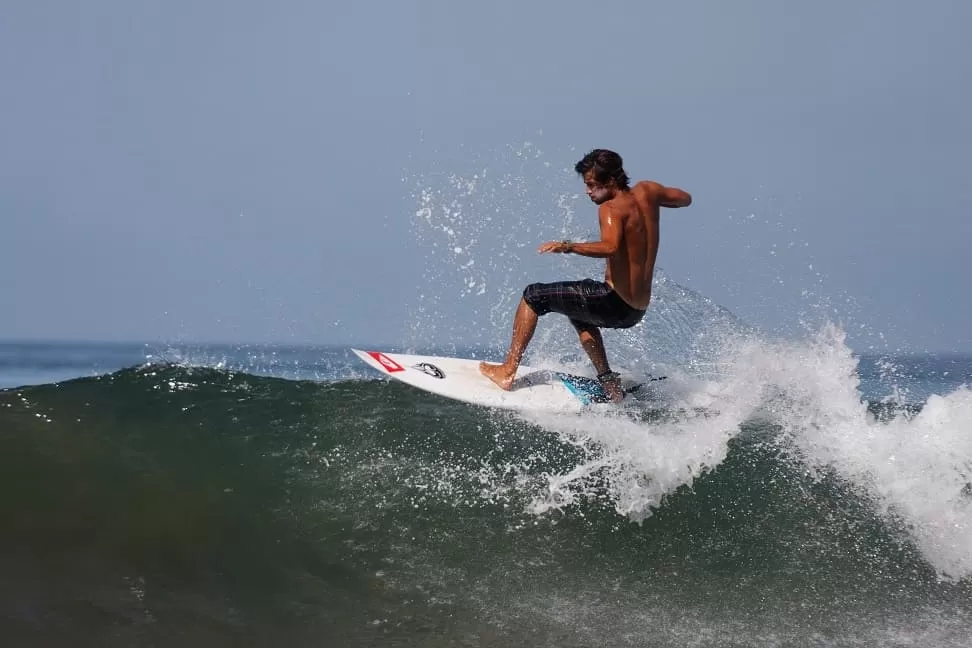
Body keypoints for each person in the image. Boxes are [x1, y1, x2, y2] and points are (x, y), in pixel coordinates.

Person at [479, 149, 692, 402]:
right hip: (636, 310)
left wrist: (567, 246)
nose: (587, 191)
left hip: (613, 301)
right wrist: (658, 201)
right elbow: (685, 199)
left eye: (591, 185)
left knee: (533, 295)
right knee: (579, 309)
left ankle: (507, 370)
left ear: (610, 181)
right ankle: (609, 383)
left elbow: (610, 246)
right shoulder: (649, 191)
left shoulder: (611, 209)